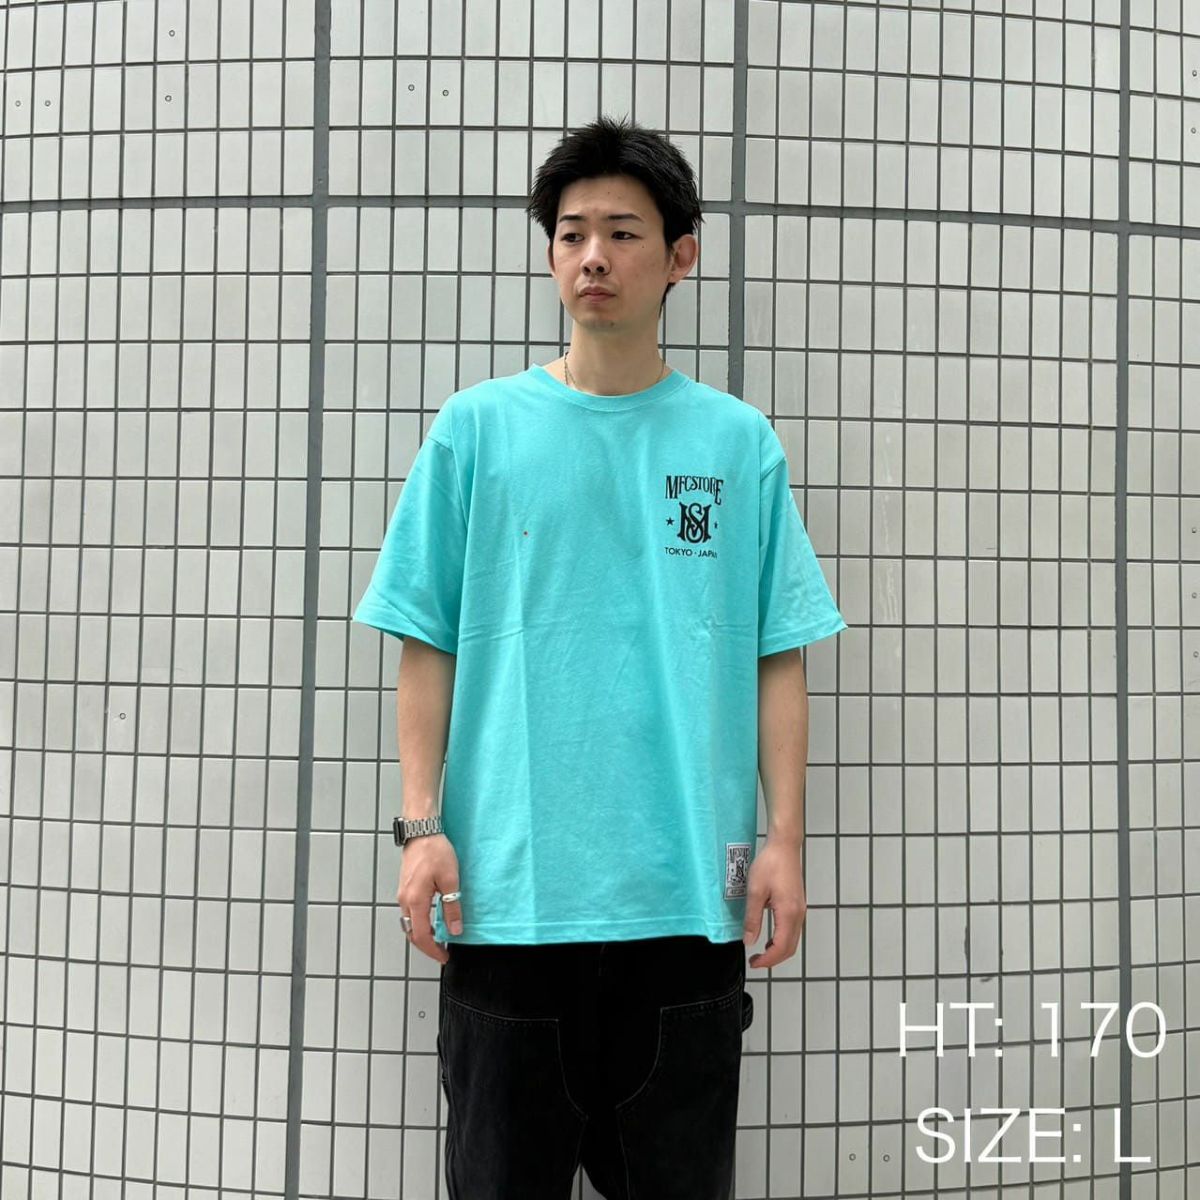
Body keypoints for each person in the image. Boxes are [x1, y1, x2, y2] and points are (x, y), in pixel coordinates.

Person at [352, 114, 847, 1199]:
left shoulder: (736, 444)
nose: (592, 257)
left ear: (680, 257)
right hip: (508, 912)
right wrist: (420, 828)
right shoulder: (476, 430)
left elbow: (779, 654)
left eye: (624, 233)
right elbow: (424, 638)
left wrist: (785, 843)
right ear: (549, 255)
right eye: (572, 233)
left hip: (686, 914)